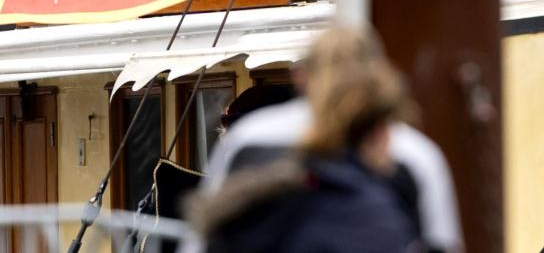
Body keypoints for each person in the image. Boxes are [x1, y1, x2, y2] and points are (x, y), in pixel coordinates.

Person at [188, 26, 461, 253]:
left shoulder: (250, 138)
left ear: (301, 76)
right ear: (377, 73)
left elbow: (200, 241)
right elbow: (440, 241)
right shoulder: (412, 152)